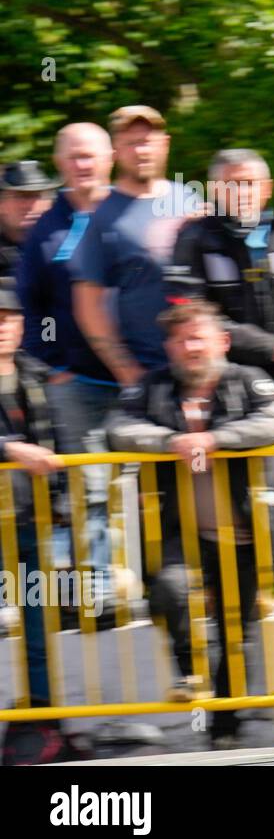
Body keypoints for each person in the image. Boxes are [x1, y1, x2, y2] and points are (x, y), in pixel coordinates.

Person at [106, 301, 274, 749]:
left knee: (237, 632)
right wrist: (173, 441)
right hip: (178, 531)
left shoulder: (248, 380)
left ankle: (223, 731)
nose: (191, 347)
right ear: (170, 346)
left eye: (199, 337)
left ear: (222, 342)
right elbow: (118, 428)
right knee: (167, 592)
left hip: (245, 533)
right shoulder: (152, 387)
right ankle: (193, 672)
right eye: (182, 338)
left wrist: (214, 439)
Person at [18, 124, 118, 572]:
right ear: (60, 163)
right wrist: (53, 366)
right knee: (89, 487)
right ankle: (96, 589)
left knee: (167, 476)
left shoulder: (134, 210)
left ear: (110, 157)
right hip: (78, 383)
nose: (83, 164)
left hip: (147, 375)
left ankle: (177, 586)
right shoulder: (44, 230)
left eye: (91, 155)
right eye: (74, 156)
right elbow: (29, 306)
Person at [0, 278, 84, 764]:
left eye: (8, 318)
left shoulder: (36, 373)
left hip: (29, 523)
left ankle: (43, 726)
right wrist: (10, 448)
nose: (2, 328)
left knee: (36, 635)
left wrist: (61, 507)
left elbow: (61, 445)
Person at [165, 148, 274, 384]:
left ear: (268, 188)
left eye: (250, 183)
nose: (242, 192)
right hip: (222, 378)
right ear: (214, 190)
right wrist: (272, 346)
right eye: (230, 184)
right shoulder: (193, 238)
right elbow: (190, 316)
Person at [70, 105, 192, 388]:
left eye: (147, 141)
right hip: (151, 371)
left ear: (165, 143)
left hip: (205, 366)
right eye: (131, 143)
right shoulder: (101, 217)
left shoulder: (191, 199)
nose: (141, 151)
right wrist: (128, 373)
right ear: (115, 152)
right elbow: (87, 306)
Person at [0, 161, 58, 279]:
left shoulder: (64, 248)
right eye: (20, 196)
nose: (29, 205)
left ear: (49, 203)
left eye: (36, 196)